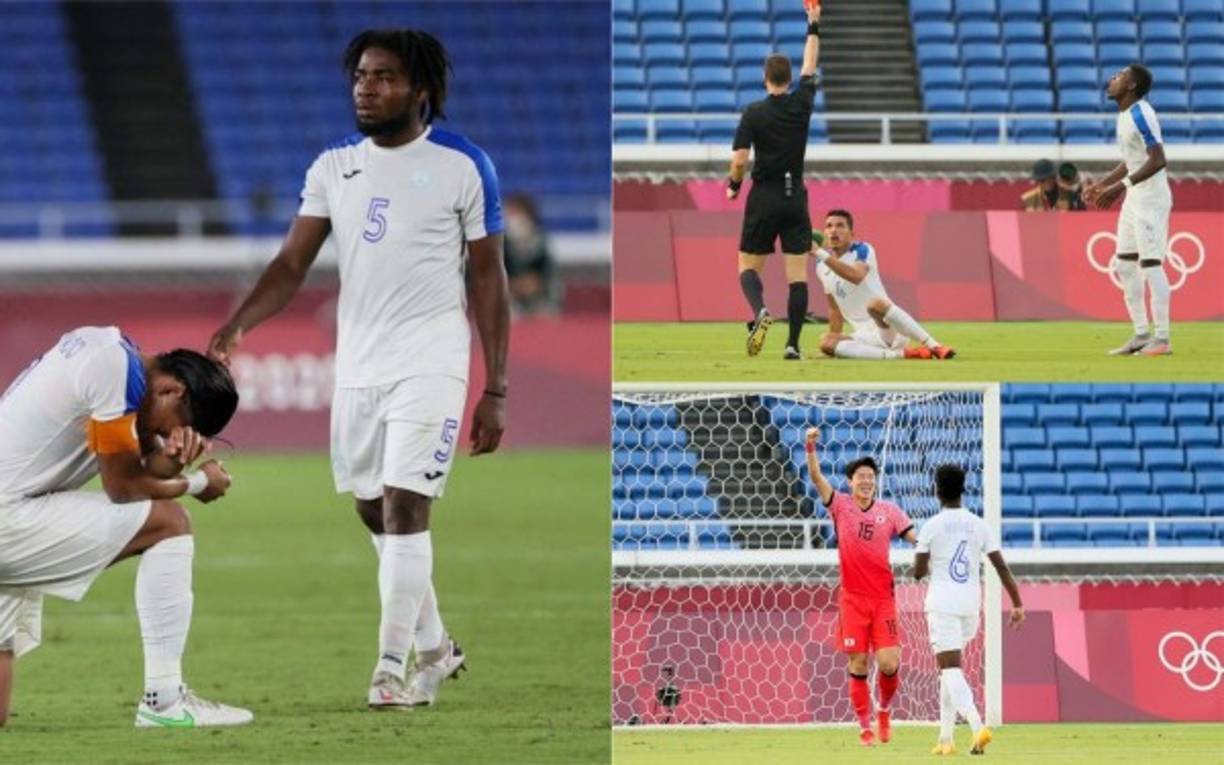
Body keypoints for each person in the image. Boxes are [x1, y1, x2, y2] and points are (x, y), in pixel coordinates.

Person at [207, 29, 510, 710]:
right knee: (373, 509)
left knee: (406, 504)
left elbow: (490, 279)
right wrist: (238, 323)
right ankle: (436, 645)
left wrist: (496, 387)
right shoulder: (333, 168)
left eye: (384, 77)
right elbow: (291, 265)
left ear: (420, 90)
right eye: (361, 76)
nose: (366, 89)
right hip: (359, 365)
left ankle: (389, 670)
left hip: (432, 359)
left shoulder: (464, 165)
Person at [0, 326, 247, 727]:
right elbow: (124, 488)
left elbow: (141, 472)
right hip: (10, 517)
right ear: (173, 390)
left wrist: (172, 462)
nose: (168, 436)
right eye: (174, 427)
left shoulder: (115, 361)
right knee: (171, 522)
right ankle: (164, 701)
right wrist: (199, 483)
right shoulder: (111, 368)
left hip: (17, 508)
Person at [805, 427, 918, 747]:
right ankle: (864, 725)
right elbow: (816, 479)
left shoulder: (890, 512)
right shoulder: (839, 505)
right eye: (860, 476)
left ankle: (883, 711)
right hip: (852, 601)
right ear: (850, 481)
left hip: (883, 600)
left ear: (875, 481)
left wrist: (926, 545)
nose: (866, 481)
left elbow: (913, 538)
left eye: (870, 476)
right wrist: (810, 446)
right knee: (858, 663)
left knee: (888, 663)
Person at [726, 0, 823, 360]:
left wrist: (734, 185)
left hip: (763, 196)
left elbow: (738, 161)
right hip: (795, 195)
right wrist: (813, 25)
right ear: (789, 78)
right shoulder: (802, 104)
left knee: (747, 267)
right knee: (798, 275)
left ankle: (761, 312)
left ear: (766, 78)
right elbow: (810, 65)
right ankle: (794, 345)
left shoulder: (753, 112)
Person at [914, 464, 1025, 756]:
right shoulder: (979, 524)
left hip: (943, 605)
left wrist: (923, 555)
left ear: (936, 490)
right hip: (970, 606)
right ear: (964, 489)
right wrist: (1017, 603)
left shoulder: (931, 526)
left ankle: (978, 727)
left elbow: (918, 572)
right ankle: (945, 739)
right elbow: (1001, 567)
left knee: (950, 669)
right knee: (949, 673)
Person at [1083, 63, 1173, 356]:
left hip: (1151, 199)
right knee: (1124, 263)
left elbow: (1158, 159)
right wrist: (1101, 184)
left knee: (1150, 265)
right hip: (1135, 197)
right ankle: (1140, 334)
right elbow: (1131, 161)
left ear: (1132, 86)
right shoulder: (1123, 116)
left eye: (1120, 76)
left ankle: (1162, 339)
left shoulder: (1141, 114)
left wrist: (1119, 187)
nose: (1112, 79)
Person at [813, 209, 956, 361]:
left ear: (851, 233)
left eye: (840, 225)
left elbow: (856, 276)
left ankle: (935, 346)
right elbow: (834, 308)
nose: (834, 230)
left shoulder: (863, 250)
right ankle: (903, 355)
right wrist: (832, 347)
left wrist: (819, 253)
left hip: (889, 328)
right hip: (865, 337)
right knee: (825, 341)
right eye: (829, 226)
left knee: (875, 304)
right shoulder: (821, 266)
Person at [503, 193, 560, 316]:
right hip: (510, 302)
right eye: (509, 213)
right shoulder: (502, 246)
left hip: (539, 302)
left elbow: (546, 277)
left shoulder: (540, 243)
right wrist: (516, 285)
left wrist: (534, 284)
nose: (511, 219)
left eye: (515, 213)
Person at [1020, 159, 1085, 211]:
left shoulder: (1070, 195)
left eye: (1051, 177)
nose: (1047, 182)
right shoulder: (1027, 199)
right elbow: (1022, 225)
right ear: (1038, 181)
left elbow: (1080, 219)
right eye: (1042, 180)